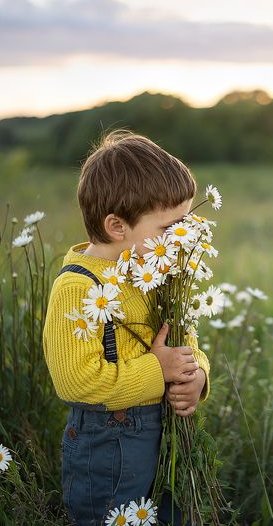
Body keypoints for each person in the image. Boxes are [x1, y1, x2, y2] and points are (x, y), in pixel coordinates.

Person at [42, 129, 210, 525]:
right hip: (105, 449)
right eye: (168, 228)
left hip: (164, 441)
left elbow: (183, 341)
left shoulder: (156, 273)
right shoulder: (78, 288)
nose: (180, 239)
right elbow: (76, 383)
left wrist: (197, 373)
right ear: (118, 227)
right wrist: (159, 370)